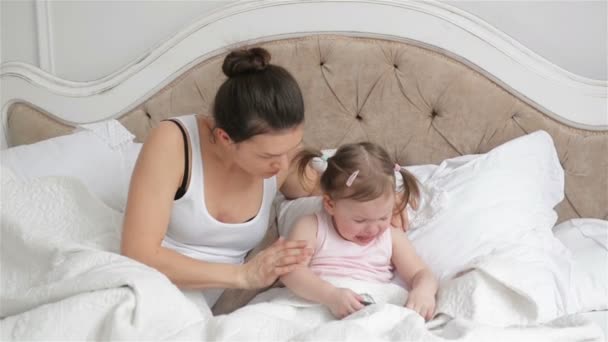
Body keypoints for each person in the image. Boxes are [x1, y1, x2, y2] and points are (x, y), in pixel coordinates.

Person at [120, 47, 318, 307]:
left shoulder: (284, 160)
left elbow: (344, 194)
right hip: (147, 285)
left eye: (291, 147)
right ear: (226, 138)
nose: (283, 164)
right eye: (268, 155)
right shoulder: (174, 142)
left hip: (209, 307)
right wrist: (242, 275)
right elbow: (139, 253)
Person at [281, 142, 438, 320]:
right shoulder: (312, 226)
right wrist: (331, 295)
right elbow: (290, 271)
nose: (372, 229)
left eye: (383, 218)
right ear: (330, 204)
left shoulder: (391, 236)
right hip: (319, 301)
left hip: (368, 307)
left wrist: (423, 291)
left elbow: (421, 273)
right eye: (360, 220)